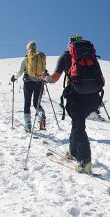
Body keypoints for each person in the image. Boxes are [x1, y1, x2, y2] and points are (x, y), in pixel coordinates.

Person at [43, 34, 104, 174]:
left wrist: (44, 78)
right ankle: (72, 151)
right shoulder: (92, 58)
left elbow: (54, 78)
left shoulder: (65, 56)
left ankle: (85, 162)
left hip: (76, 97)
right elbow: (102, 79)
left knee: (79, 127)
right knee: (77, 124)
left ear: (70, 45)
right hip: (94, 98)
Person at [11, 41, 46, 132]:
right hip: (39, 83)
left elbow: (20, 72)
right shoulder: (41, 57)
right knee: (36, 103)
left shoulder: (26, 59)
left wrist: (14, 78)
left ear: (28, 49)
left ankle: (28, 125)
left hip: (28, 83)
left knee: (27, 103)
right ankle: (41, 114)